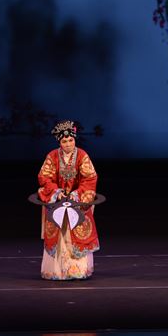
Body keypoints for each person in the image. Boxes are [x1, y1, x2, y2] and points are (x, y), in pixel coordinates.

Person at [36, 120, 99, 280]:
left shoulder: (82, 156)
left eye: (71, 140)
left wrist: (77, 194)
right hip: (58, 201)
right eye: (64, 141)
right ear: (59, 142)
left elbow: (90, 177)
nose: (68, 144)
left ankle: (78, 270)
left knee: (76, 230)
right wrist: (56, 192)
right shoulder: (52, 156)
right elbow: (44, 177)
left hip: (76, 201)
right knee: (58, 232)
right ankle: (56, 271)